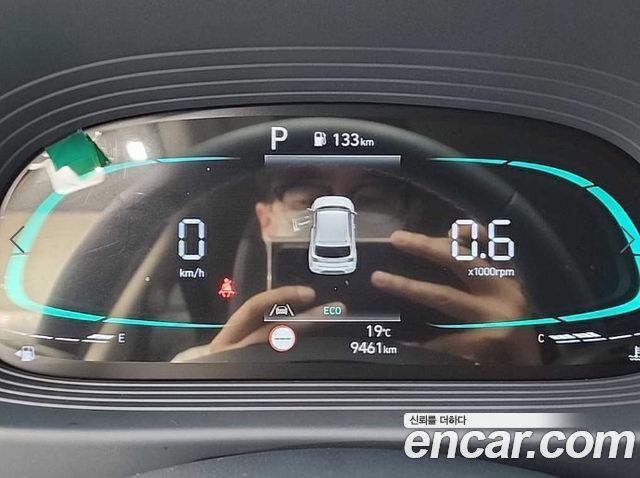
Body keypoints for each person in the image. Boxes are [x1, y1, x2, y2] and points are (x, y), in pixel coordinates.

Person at [173, 165, 539, 364]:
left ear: (408, 217)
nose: (340, 217)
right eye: (311, 199)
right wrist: (210, 375)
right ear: (266, 220)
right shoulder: (207, 358)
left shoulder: (472, 326)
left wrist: (525, 359)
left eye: (371, 199)